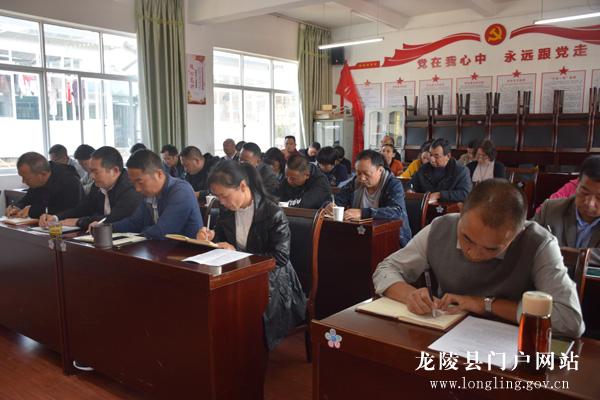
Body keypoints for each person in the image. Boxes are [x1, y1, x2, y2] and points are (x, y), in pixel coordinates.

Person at [373, 179, 584, 338]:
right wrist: (410, 295)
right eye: (466, 238)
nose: (473, 253)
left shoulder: (539, 244)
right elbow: (386, 269)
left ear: (518, 233)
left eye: (491, 249)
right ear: (461, 211)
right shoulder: (441, 228)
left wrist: (484, 305)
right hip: (445, 336)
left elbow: (570, 320)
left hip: (509, 347)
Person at [196, 161, 306, 350]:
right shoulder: (227, 211)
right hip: (238, 274)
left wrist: (238, 255)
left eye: (224, 196)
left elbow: (280, 258)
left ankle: (246, 355)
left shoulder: (273, 213)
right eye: (217, 197)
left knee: (235, 306)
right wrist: (210, 236)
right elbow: (222, 238)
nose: (221, 202)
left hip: (274, 281)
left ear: (242, 186)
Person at [38, 146, 142, 230]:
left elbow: (114, 218)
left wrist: (78, 222)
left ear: (115, 171)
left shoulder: (130, 188)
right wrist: (56, 217)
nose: (91, 176)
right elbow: (83, 208)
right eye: (91, 171)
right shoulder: (97, 186)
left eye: (95, 172)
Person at [109, 149, 203, 239]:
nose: (137, 189)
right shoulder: (150, 194)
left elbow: (163, 232)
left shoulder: (181, 191)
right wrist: (108, 228)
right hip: (160, 247)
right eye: (133, 183)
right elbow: (134, 223)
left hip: (185, 249)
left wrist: (141, 233)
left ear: (159, 174)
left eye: (140, 182)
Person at [331, 150, 412, 247]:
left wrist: (362, 213)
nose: (362, 178)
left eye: (366, 173)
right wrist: (330, 205)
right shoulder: (355, 183)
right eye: (358, 173)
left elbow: (397, 212)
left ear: (380, 170)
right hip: (361, 235)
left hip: (391, 238)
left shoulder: (393, 184)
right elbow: (338, 200)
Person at [534, 156, 600, 255]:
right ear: (577, 185)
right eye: (584, 192)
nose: (589, 203)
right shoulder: (550, 209)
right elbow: (526, 241)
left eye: (599, 197)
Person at [6, 152, 83, 218]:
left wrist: (33, 210)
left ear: (42, 174)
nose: (23, 181)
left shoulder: (69, 180)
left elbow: (68, 210)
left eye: (27, 178)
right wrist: (17, 207)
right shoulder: (37, 180)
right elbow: (27, 199)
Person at [409, 138, 472, 203]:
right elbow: (411, 184)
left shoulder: (461, 171)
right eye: (431, 155)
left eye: (436, 157)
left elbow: (465, 194)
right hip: (426, 206)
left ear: (448, 156)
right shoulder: (424, 168)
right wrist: (410, 190)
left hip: (449, 207)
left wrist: (439, 195)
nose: (432, 160)